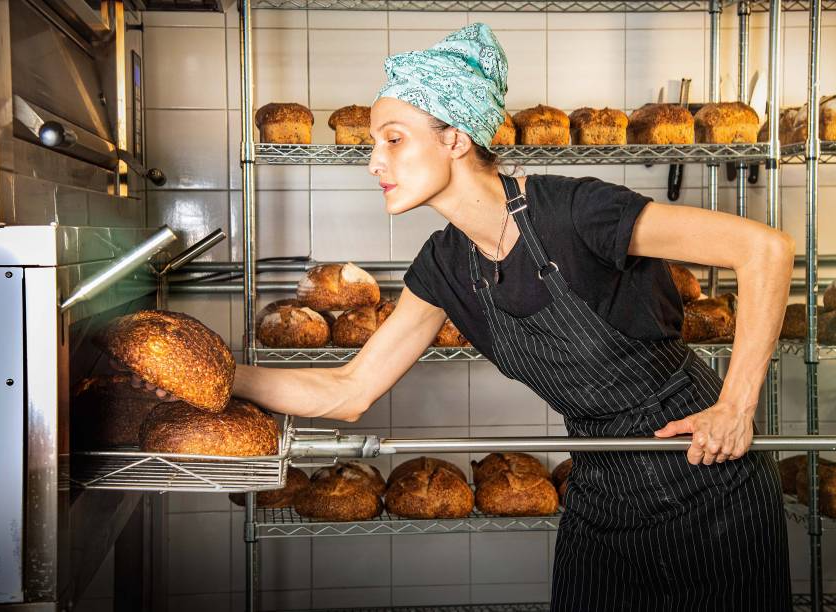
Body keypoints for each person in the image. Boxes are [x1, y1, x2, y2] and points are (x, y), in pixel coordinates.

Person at [234, 23, 793, 611]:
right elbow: (347, 390)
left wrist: (736, 406)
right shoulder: (444, 264)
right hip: (601, 480)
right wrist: (224, 376)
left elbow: (765, 250)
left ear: (454, 138)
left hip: (706, 473)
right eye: (374, 142)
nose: (374, 161)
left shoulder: (575, 211)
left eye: (393, 139)